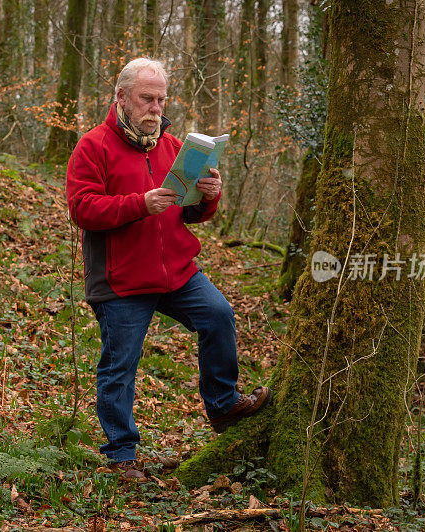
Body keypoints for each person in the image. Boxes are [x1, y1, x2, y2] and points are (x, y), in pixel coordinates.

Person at [66, 57, 270, 480]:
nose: (155, 108)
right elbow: (82, 209)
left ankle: (223, 405)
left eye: (160, 99)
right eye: (146, 99)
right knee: (119, 365)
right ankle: (122, 455)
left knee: (218, 316)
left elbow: (191, 213)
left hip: (177, 271)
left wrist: (208, 195)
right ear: (121, 97)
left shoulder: (176, 147)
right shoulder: (93, 145)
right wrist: (138, 204)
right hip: (121, 280)